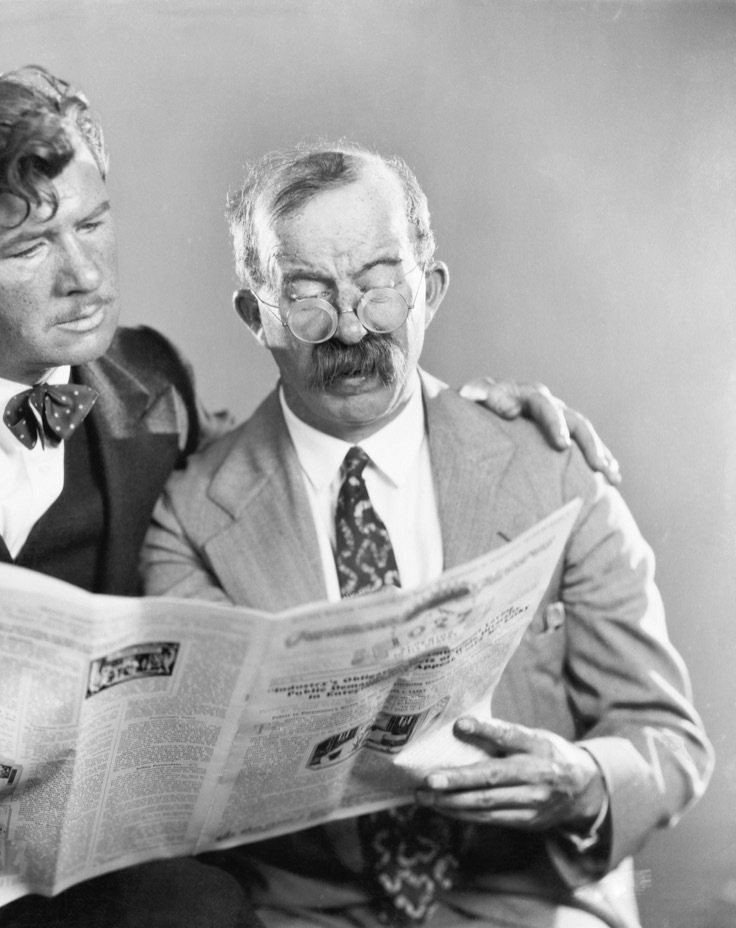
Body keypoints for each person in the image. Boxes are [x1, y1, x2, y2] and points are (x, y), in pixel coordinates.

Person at [0, 67, 620, 928]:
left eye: (94, 222)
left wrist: (463, 414)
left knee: (206, 906)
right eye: (28, 249)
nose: (87, 274)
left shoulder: (148, 381)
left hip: (63, 884)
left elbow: (267, 461)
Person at [140, 141, 713, 927]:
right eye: (306, 294)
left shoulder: (551, 468)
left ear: (428, 289)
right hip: (309, 916)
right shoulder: (191, 518)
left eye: (378, 286)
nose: (349, 327)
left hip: (535, 902)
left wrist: (580, 778)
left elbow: (668, 741)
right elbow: (200, 778)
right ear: (255, 315)